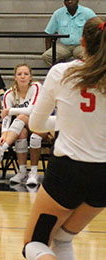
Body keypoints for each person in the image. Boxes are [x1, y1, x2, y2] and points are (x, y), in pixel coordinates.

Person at [22, 16, 106, 260]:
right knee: (62, 238)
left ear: (82, 43)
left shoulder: (61, 72)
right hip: (103, 176)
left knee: (34, 243)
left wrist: (64, 122)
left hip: (68, 172)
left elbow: (36, 124)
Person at [0, 64, 45, 186]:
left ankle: (33, 172)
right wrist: (4, 134)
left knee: (24, 120)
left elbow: (30, 110)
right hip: (24, 125)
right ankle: (22, 171)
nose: (23, 77)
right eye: (19, 74)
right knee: (21, 133)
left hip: (42, 122)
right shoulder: (9, 94)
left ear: (30, 77)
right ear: (15, 77)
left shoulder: (36, 87)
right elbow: (5, 117)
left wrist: (10, 110)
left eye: (26, 74)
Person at [41, 0, 96, 67]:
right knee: (46, 56)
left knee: (90, 58)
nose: (70, 1)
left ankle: (81, 75)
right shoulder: (58, 14)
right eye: (67, 0)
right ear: (64, 2)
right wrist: (49, 49)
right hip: (64, 46)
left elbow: (98, 28)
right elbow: (48, 33)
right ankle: (60, 74)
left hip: (81, 45)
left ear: (78, 0)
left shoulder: (87, 12)